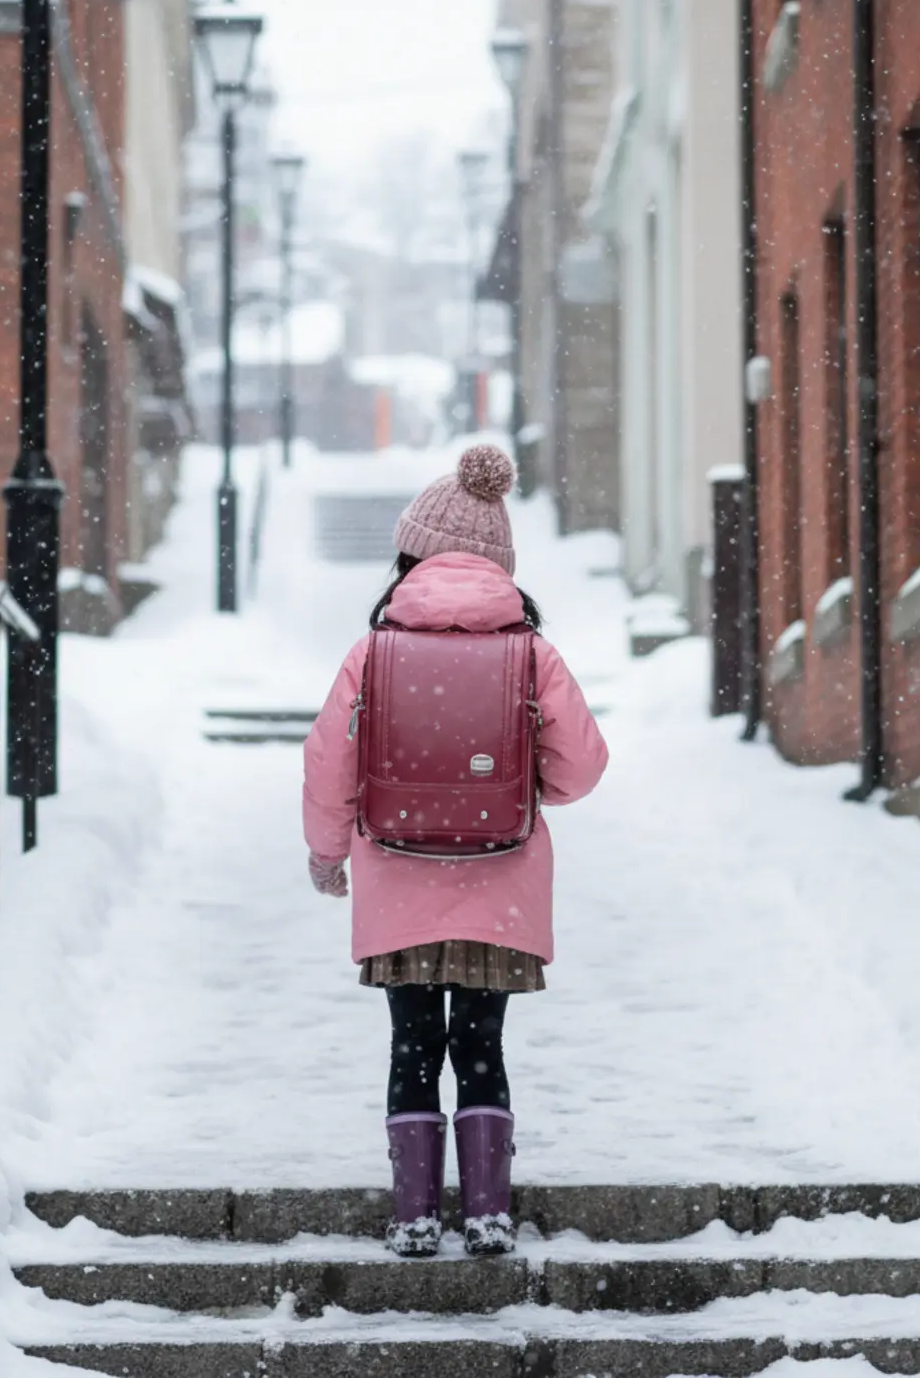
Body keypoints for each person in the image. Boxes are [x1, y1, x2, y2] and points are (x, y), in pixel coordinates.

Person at [302, 443, 609, 1258]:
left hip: (398, 877)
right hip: (498, 881)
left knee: (412, 1045)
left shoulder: (374, 649)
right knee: (480, 1044)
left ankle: (411, 1214)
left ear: (411, 556)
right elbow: (583, 765)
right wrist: (526, 782)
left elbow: (329, 763)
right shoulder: (529, 649)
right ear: (498, 564)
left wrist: (328, 853)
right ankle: (486, 1210)